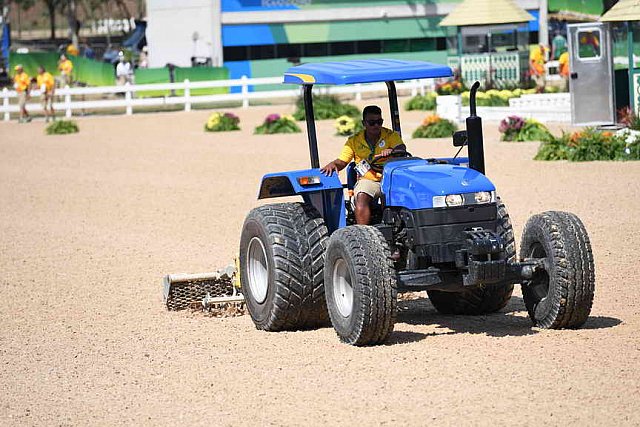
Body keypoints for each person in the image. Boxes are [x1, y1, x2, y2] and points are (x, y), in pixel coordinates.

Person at [320, 105, 406, 225]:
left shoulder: (390, 136)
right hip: (369, 180)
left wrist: (392, 150)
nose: (376, 125)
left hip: (390, 178)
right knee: (361, 195)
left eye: (379, 122)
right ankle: (364, 232)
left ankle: (396, 227)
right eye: (372, 122)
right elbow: (342, 161)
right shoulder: (354, 141)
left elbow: (401, 149)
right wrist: (333, 164)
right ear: (364, 123)